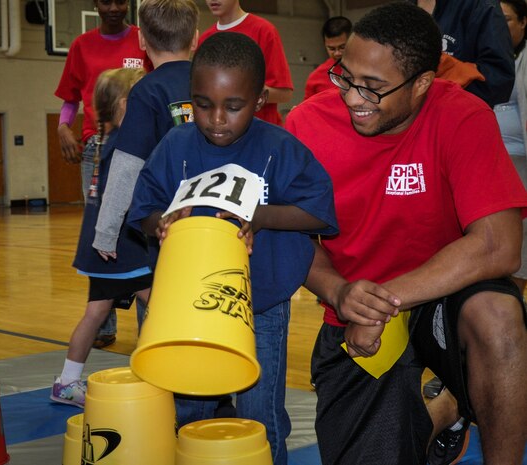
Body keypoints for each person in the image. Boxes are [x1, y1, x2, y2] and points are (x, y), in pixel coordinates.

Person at [286, 3, 527, 465]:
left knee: (498, 316)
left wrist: (386, 298)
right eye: (346, 76)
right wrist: (338, 292)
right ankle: (444, 407)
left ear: (421, 83)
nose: (354, 97)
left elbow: (500, 244)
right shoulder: (307, 125)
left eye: (374, 88)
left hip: (442, 300)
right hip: (356, 319)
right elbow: (295, 239)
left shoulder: (463, 116)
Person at [127, 32, 338, 465]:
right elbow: (143, 209)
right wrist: (161, 224)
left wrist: (262, 216)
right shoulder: (176, 145)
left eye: (233, 106)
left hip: (260, 303)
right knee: (190, 409)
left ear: (259, 99)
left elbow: (318, 212)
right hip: (185, 305)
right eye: (202, 104)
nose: (216, 119)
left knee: (260, 414)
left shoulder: (280, 148)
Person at [92, 0, 199, 328]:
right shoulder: (215, 79)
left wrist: (106, 231)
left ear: (141, 41)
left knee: (165, 305)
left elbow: (126, 165)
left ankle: (164, 365)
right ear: (195, 38)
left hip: (166, 220)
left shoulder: (146, 90)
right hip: (217, 213)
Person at [54, 0, 151, 350]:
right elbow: (69, 98)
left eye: (120, 1)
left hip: (139, 143)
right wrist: (63, 127)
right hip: (96, 145)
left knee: (138, 233)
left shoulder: (144, 40)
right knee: (101, 219)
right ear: (94, 4)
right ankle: (104, 323)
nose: (114, 7)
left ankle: (149, 331)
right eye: (106, 1)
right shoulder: (82, 45)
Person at [50, 67, 149, 408]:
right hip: (121, 248)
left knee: (95, 314)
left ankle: (67, 382)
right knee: (161, 304)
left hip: (101, 248)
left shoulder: (102, 141)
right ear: (124, 105)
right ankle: (157, 374)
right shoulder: (126, 143)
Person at [198, 0, 293, 126]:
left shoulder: (264, 30)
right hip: (217, 132)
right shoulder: (205, 39)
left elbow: (284, 94)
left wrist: (237, 91)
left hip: (258, 132)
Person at [410, 0, 515, 107]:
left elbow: (499, 81)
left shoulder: (480, 5)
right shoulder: (401, 7)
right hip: (407, 117)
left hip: (456, 113)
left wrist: (449, 70)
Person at [495, 0, 527, 293]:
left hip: (521, 170)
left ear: (523, 22)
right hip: (504, 173)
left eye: (506, 20)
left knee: (519, 260)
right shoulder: (503, 59)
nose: (499, 27)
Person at [304, 16, 352, 100]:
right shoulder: (316, 77)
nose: (337, 53)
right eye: (332, 49)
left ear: (352, 41)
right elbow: (308, 109)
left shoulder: (370, 67)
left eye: (342, 47)